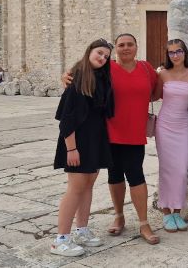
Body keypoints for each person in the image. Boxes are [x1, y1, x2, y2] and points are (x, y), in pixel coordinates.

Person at [62, 33, 159, 245]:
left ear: (136, 46)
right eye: (121, 45)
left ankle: (144, 223)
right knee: (114, 175)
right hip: (109, 132)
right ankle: (119, 216)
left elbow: (158, 90)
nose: (126, 48)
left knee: (136, 175)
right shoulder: (108, 68)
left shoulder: (146, 68)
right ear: (116, 48)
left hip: (135, 132)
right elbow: (84, 73)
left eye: (130, 44)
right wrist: (67, 75)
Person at [51, 39, 114, 257]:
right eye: (99, 53)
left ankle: (82, 230)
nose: (102, 58)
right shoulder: (77, 80)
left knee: (88, 186)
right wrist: (71, 149)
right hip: (77, 142)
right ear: (89, 52)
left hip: (95, 140)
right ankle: (60, 239)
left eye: (106, 56)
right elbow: (67, 119)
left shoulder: (100, 77)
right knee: (76, 188)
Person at [152, 39, 188, 233]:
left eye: (178, 51)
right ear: (168, 55)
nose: (175, 55)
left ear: (184, 52)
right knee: (166, 169)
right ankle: (166, 212)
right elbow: (154, 95)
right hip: (164, 126)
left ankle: (177, 212)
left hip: (182, 126)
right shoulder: (163, 74)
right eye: (171, 52)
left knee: (181, 171)